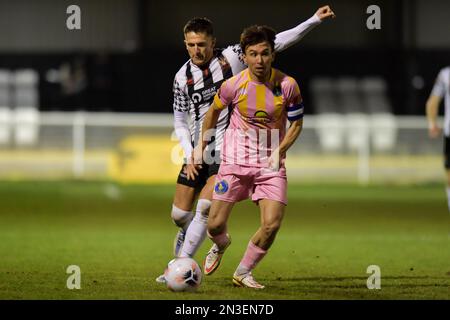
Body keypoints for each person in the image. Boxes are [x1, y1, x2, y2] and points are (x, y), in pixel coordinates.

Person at [157, 5, 335, 283]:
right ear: (185, 44)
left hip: (227, 147)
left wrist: (313, 20)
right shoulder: (182, 78)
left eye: (202, 44)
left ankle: (179, 268)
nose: (197, 50)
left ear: (212, 43)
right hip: (199, 146)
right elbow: (179, 118)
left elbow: (278, 42)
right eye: (191, 45)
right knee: (180, 215)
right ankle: (187, 233)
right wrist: (192, 151)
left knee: (206, 210)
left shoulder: (231, 59)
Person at [197, 25, 304, 289]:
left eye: (265, 53)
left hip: (270, 165)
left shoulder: (288, 86)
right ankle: (221, 243)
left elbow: (297, 124)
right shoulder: (233, 85)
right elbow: (212, 113)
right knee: (214, 225)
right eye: (253, 54)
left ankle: (243, 272)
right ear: (244, 56)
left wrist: (280, 152)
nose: (259, 60)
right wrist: (202, 144)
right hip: (235, 162)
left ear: (273, 55)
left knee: (272, 224)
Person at [426, 66, 450, 212]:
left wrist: (432, 124)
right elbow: (432, 102)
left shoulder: (446, 74)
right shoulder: (445, 74)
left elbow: (432, 102)